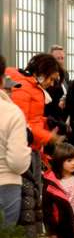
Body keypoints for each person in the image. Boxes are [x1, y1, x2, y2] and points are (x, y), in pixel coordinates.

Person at [0, 54, 31, 225]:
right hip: (5, 182)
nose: (12, 92)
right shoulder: (11, 112)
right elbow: (18, 162)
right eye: (9, 88)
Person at [45, 45, 69, 130]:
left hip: (64, 117)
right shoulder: (46, 76)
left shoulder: (65, 73)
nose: (60, 61)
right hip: (52, 118)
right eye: (57, 58)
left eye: (62, 58)